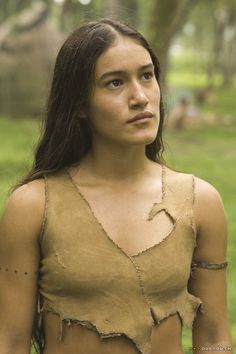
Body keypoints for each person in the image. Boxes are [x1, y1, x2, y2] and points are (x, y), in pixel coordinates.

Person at [0, 19, 232, 354]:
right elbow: (10, 342)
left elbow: (213, 339)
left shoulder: (199, 202)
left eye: (147, 75)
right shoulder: (34, 206)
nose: (140, 97)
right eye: (114, 83)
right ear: (78, 104)